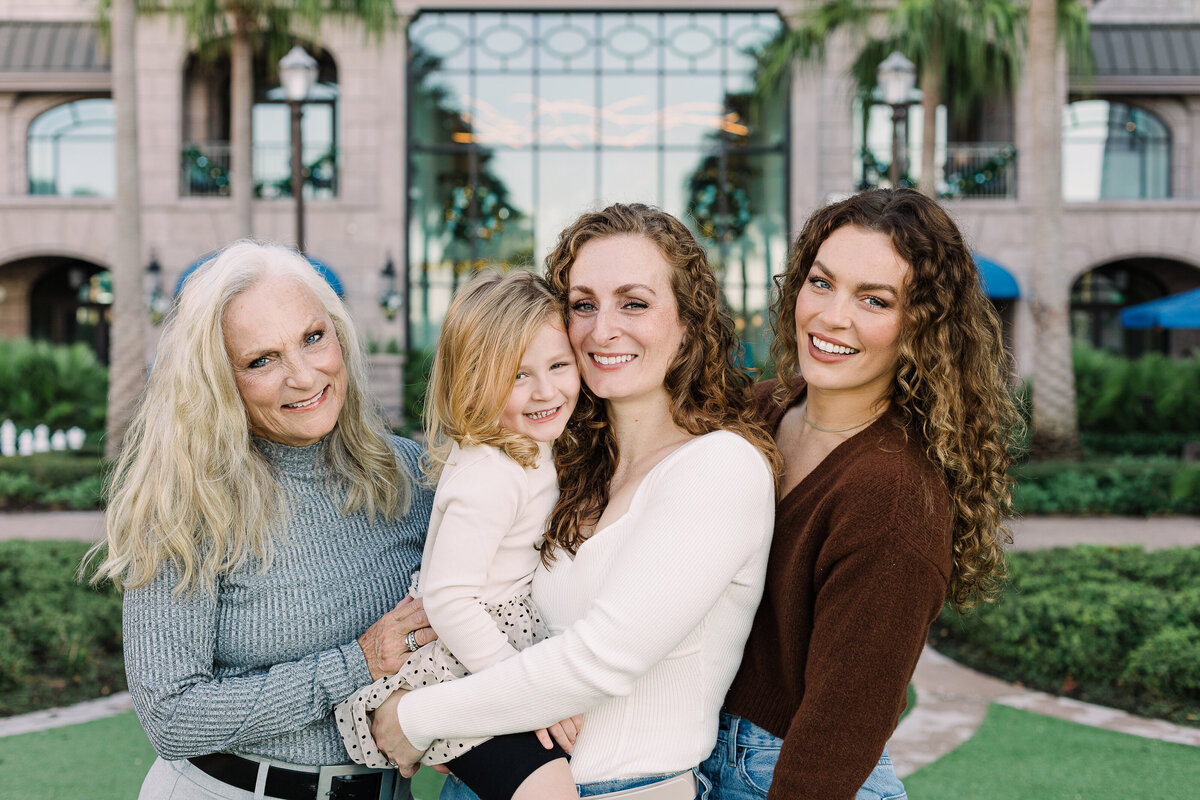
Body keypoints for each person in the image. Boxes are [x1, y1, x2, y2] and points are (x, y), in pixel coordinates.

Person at [370, 203, 779, 800]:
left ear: (690, 321)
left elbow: (600, 660)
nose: (601, 329)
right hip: (493, 782)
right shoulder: (561, 462)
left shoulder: (719, 468)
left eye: (633, 303)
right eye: (583, 304)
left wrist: (415, 718)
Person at [700, 188, 1019, 800]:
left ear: (922, 327)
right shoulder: (756, 408)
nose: (831, 317)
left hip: (787, 770)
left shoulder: (892, 495)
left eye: (874, 299)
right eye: (822, 283)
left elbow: (840, 730)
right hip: (696, 745)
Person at [89, 241, 435, 800]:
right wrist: (356, 664)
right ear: (218, 380)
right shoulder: (188, 505)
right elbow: (171, 715)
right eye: (261, 360)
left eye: (313, 338)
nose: (303, 375)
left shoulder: (415, 477)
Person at [335, 270, 582, 800]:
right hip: (463, 663)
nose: (547, 390)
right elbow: (449, 597)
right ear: (475, 380)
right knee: (551, 790)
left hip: (493, 652)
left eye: (559, 365)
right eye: (518, 375)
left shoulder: (529, 444)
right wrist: (524, 690)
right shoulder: (490, 472)